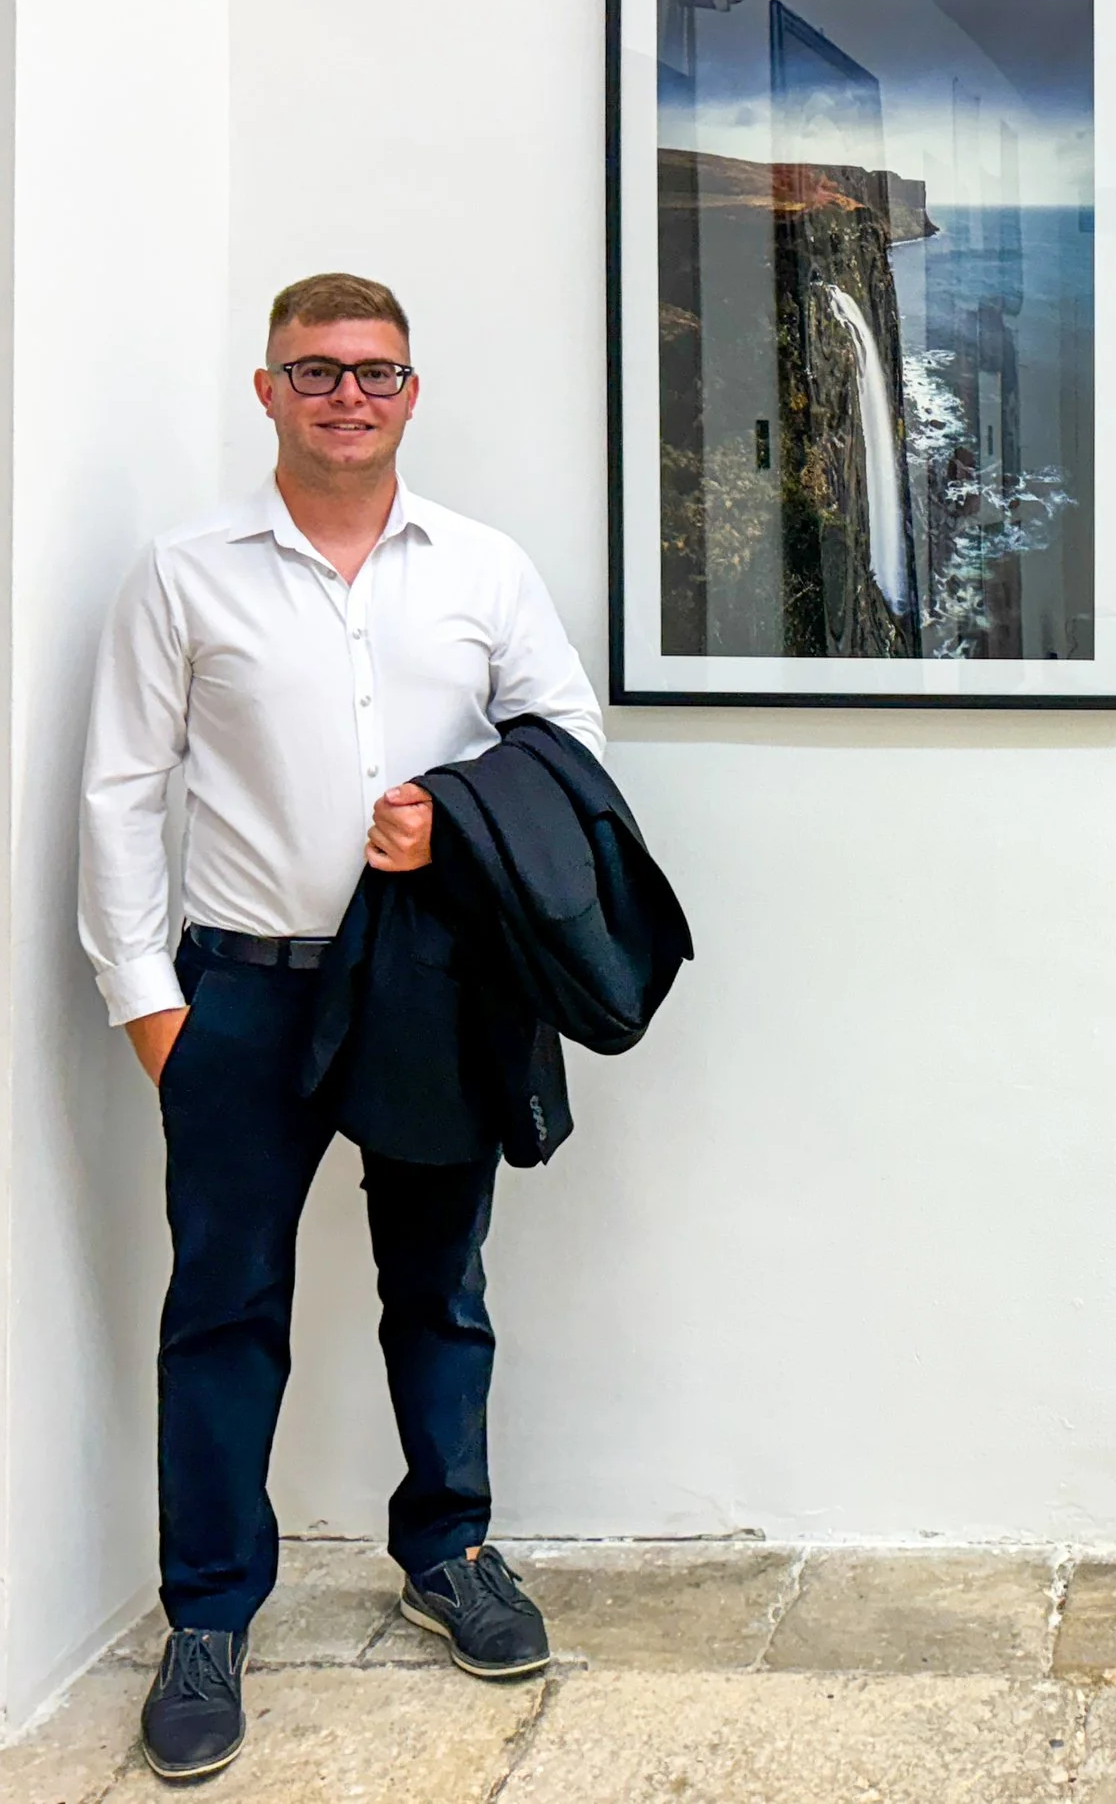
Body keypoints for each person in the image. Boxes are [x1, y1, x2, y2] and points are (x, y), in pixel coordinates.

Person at [78, 273, 604, 1781]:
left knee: (440, 1281)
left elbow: (567, 741)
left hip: (429, 985)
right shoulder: (185, 575)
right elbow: (121, 790)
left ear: (411, 392)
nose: (346, 396)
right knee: (224, 1303)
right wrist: (149, 1002)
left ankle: (449, 1551)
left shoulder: (481, 568)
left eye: (373, 372)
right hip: (240, 991)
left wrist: (454, 818)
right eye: (315, 372)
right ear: (267, 392)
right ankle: (209, 1618)